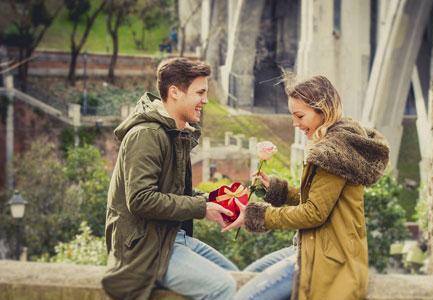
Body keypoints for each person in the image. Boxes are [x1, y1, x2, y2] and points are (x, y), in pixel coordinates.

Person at [224, 75, 390, 300]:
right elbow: (322, 200)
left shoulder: (333, 153)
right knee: (249, 273)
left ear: (323, 110)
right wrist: (279, 190)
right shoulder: (340, 143)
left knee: (245, 297)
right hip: (317, 247)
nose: (295, 123)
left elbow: (314, 213)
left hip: (327, 257)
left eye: (300, 116)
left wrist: (259, 215)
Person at [102, 57, 238, 300]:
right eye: (200, 93)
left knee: (236, 277)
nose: (205, 100)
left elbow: (175, 196)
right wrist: (200, 207)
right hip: (146, 252)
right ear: (175, 92)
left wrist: (212, 202)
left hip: (171, 238)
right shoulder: (146, 135)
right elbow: (141, 200)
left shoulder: (173, 133)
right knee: (224, 287)